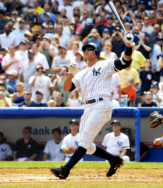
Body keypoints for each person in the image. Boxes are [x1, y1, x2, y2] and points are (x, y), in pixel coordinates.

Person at [50, 32, 134, 179]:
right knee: (87, 147)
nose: (86, 51)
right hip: (88, 107)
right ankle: (114, 159)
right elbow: (67, 88)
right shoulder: (82, 73)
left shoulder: (104, 64)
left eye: (89, 48)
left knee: (84, 140)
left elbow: (125, 62)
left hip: (101, 104)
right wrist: (70, 74)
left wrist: (128, 46)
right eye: (84, 49)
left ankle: (65, 170)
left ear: (95, 52)